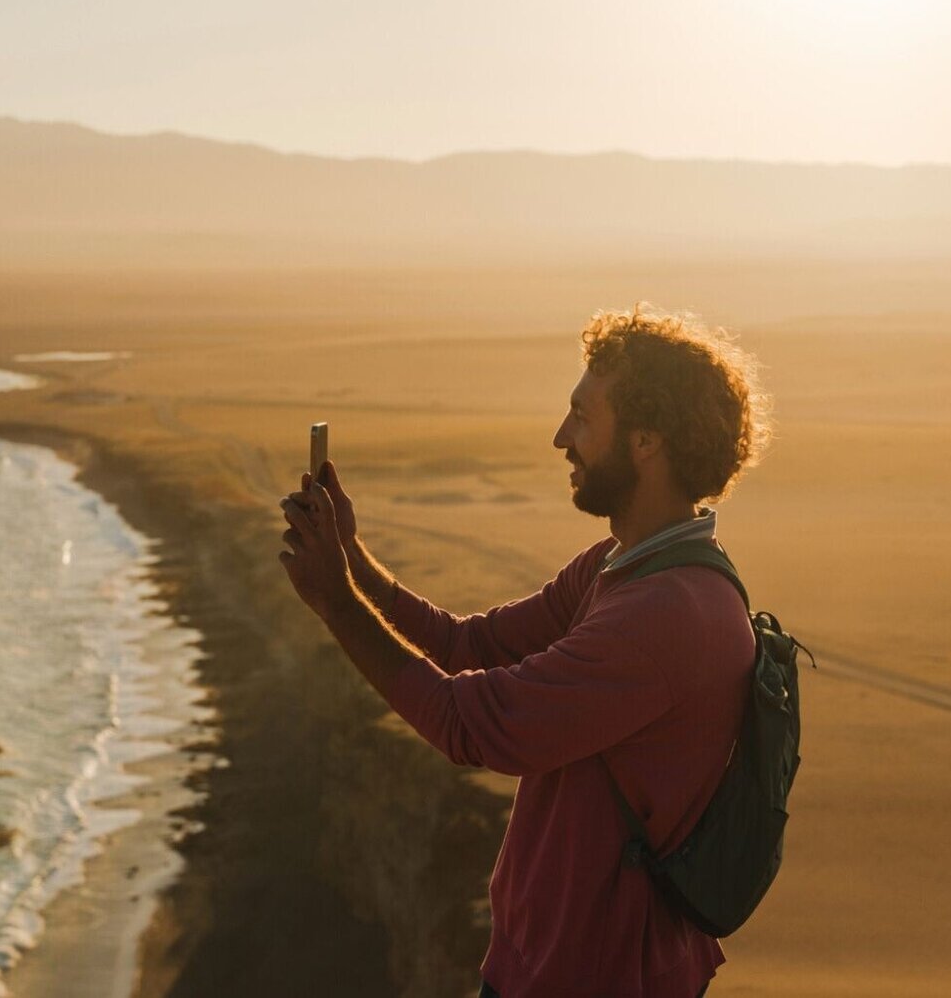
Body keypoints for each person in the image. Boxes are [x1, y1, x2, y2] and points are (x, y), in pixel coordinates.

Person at [278, 304, 773, 997]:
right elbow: (466, 643)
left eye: (582, 417)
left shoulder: (665, 618)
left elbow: (469, 724)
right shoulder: (625, 565)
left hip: (591, 978)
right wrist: (354, 561)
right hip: (548, 966)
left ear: (647, 439)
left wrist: (336, 602)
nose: (560, 437)